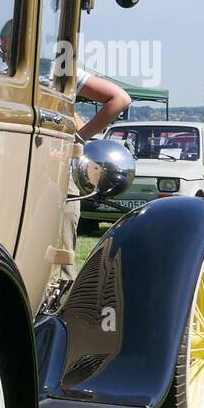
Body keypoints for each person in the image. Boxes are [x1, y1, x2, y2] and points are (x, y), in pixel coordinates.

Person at [59, 70, 133, 282]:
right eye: (3, 52)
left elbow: (120, 98)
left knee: (62, 238)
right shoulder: (4, 73)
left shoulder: (59, 68)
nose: (5, 57)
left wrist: (79, 137)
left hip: (57, 168)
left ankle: (59, 293)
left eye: (8, 50)